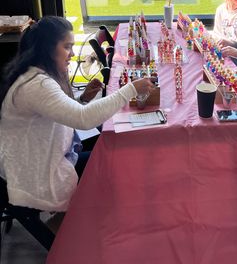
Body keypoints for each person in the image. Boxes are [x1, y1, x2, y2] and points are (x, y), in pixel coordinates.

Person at [0, 16, 155, 212]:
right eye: (67, 47)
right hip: (34, 173)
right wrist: (131, 89)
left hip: (45, 153)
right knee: (113, 158)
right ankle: (96, 220)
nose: (72, 54)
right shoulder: (37, 85)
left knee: (112, 135)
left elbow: (60, 112)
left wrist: (82, 100)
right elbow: (84, 119)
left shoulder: (35, 74)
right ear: (47, 48)